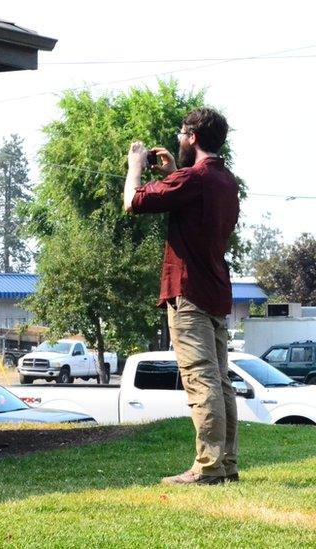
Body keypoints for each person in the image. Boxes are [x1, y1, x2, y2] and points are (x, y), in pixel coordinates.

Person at [122, 108, 240, 485]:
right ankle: (227, 465)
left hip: (187, 291)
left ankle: (207, 468)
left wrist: (135, 166)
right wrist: (174, 172)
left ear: (192, 137)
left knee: (200, 379)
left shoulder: (195, 178)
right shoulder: (226, 180)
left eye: (181, 134)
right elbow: (189, 200)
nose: (177, 138)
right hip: (216, 290)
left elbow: (134, 202)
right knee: (220, 381)